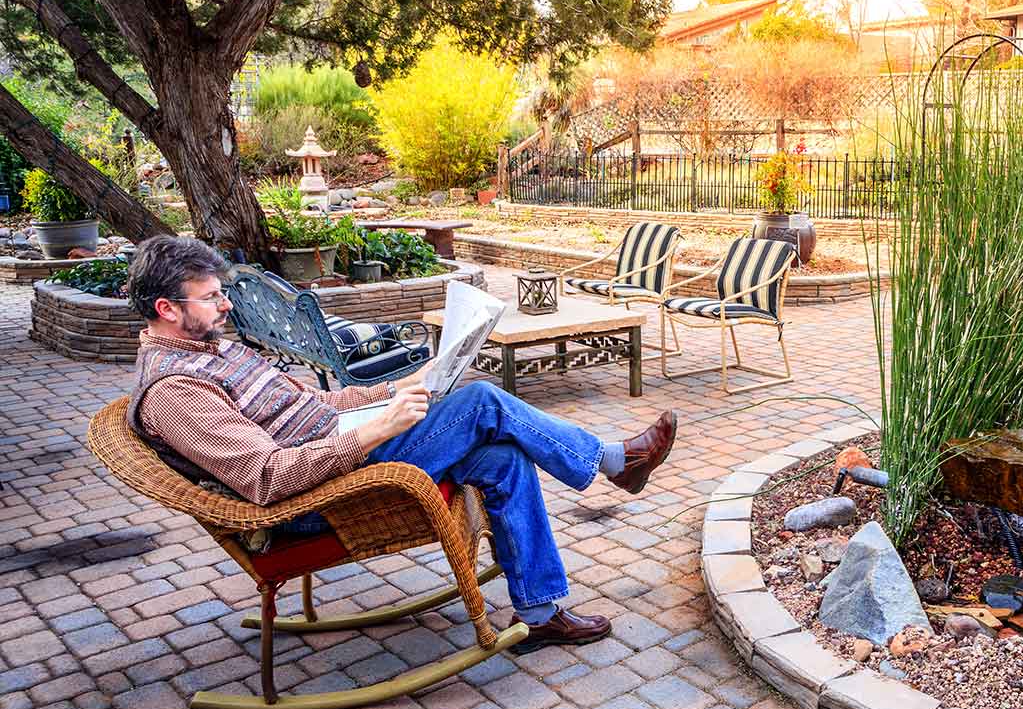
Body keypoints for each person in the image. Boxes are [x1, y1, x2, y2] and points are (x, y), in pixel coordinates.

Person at [124, 234, 676, 654]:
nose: (225, 306)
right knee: (482, 402)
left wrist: (402, 387)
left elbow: (315, 408)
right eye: (211, 298)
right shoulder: (176, 391)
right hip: (323, 498)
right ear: (167, 309)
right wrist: (375, 430)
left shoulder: (214, 351)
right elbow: (265, 477)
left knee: (503, 456)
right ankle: (614, 461)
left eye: (222, 294)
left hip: (341, 452)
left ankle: (537, 611)